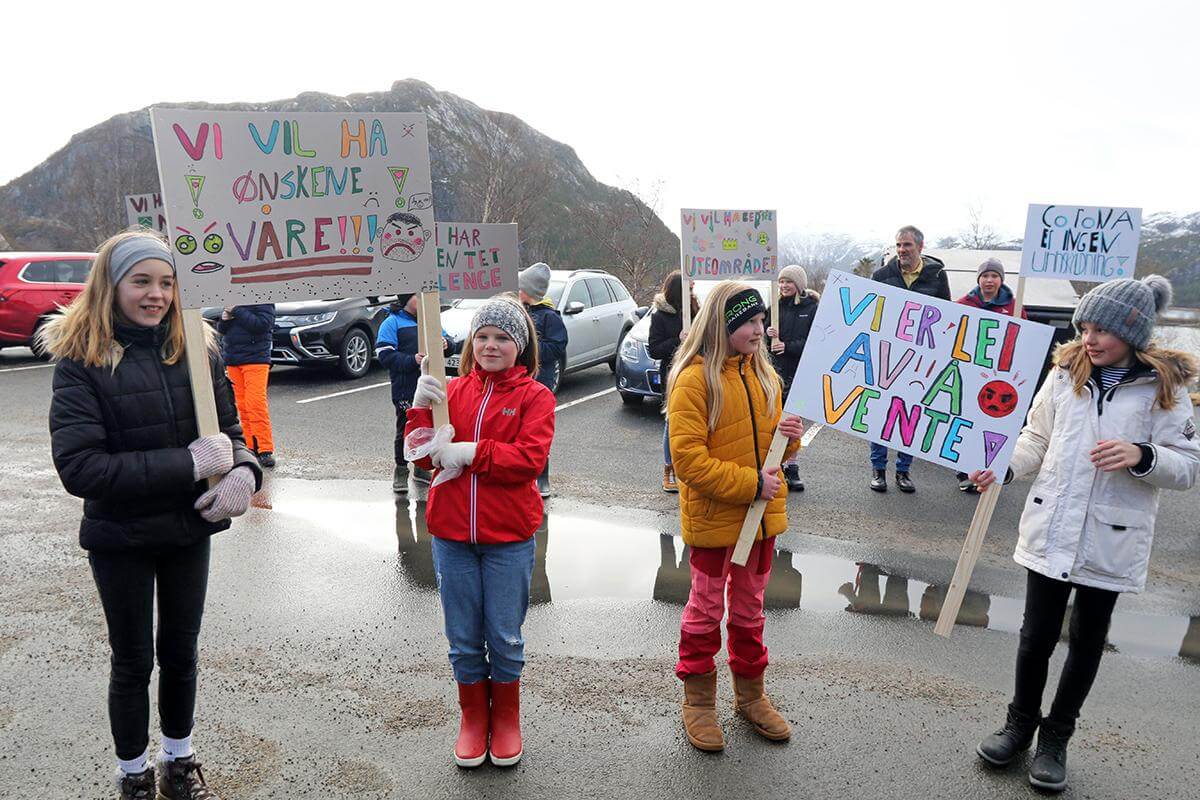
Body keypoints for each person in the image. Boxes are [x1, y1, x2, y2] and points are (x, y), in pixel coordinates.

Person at [42, 231, 263, 800]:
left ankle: (178, 762)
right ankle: (134, 773)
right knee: (133, 660)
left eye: (167, 282)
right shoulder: (82, 361)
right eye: (141, 281)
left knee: (182, 654)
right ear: (111, 285)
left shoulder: (198, 351)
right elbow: (80, 468)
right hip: (121, 537)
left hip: (188, 529)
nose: (156, 294)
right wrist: (187, 463)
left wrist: (245, 473)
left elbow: (232, 435)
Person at [970, 275, 1198, 793]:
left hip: (1111, 536)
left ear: (1132, 333)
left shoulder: (1163, 387)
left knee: (1087, 641)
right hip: (1052, 525)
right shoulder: (1063, 373)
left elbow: (1188, 466)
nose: (1089, 339)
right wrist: (1004, 468)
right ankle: (1018, 726)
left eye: (1102, 331)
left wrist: (1142, 455)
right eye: (1085, 328)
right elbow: (1035, 437)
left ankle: (1056, 739)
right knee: (1035, 636)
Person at [404, 295, 555, 768]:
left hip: (508, 539)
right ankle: (473, 718)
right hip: (452, 537)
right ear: (471, 342)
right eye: (483, 336)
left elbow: (529, 459)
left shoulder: (536, 397)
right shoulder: (452, 391)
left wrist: (472, 452)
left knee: (504, 635)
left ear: (520, 345)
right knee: (463, 637)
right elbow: (421, 456)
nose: (490, 345)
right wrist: (420, 407)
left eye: (502, 337)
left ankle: (506, 718)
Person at [666, 281, 805, 752]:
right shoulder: (693, 380)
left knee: (749, 612)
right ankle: (699, 703)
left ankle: (751, 696)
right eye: (749, 321)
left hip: (762, 522)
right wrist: (750, 484)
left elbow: (778, 450)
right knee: (705, 611)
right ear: (721, 325)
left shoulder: (766, 376)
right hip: (715, 522)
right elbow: (688, 462)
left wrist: (791, 437)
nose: (759, 329)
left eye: (762, 320)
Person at [867, 225, 951, 493]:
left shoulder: (937, 276)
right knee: (881, 412)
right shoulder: (881, 276)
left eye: (907, 245)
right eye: (898, 245)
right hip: (887, 357)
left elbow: (947, 317)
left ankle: (903, 471)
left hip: (919, 361)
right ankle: (878, 470)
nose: (901, 250)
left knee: (911, 413)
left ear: (920, 247)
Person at [954, 257, 1027, 492]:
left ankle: (987, 470)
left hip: (1000, 378)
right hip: (970, 374)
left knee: (990, 424)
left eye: (994, 276)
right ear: (979, 279)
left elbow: (1025, 339)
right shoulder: (964, 304)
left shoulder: (1015, 307)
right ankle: (964, 472)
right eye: (985, 275)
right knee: (967, 420)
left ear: (1001, 280)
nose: (989, 280)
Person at [766, 264, 819, 491]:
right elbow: (760, 342)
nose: (784, 285)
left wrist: (787, 346)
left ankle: (792, 467)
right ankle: (774, 465)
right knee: (772, 420)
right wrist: (767, 334)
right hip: (774, 373)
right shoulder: (774, 308)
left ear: (799, 284)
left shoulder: (812, 308)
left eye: (788, 281)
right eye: (781, 281)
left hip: (799, 373)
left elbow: (816, 342)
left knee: (793, 422)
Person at [518, 262, 567, 497]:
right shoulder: (519, 312)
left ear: (529, 291)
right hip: (518, 379)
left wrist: (530, 348)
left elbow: (557, 347)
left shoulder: (549, 317)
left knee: (536, 428)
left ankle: (542, 475)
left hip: (540, 381)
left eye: (520, 287)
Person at [646, 272, 697, 493]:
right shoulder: (660, 316)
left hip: (695, 371)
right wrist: (678, 340)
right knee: (672, 420)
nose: (692, 293)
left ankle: (690, 466)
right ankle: (669, 468)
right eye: (689, 289)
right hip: (672, 373)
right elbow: (655, 349)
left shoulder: (695, 310)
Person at [217, 303, 277, 467]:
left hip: (256, 359)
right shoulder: (233, 300)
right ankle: (250, 446)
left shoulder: (262, 299)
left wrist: (236, 310)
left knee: (255, 404)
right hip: (233, 359)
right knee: (242, 406)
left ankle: (264, 449)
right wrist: (224, 319)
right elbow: (222, 330)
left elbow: (262, 325)